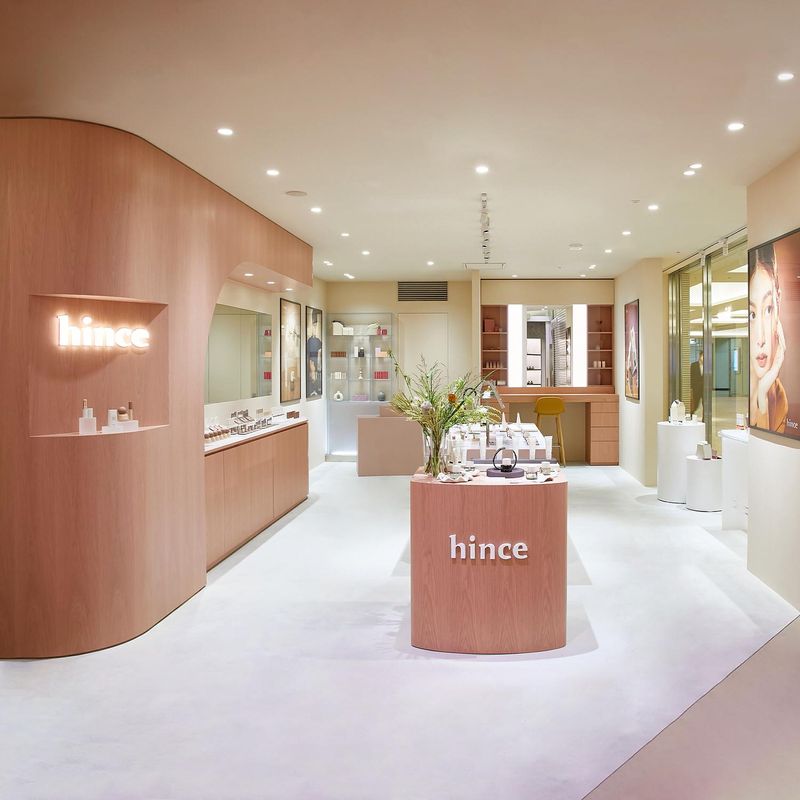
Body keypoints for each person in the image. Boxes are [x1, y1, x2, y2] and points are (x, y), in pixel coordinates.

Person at [749, 244, 788, 433]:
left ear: (778, 304)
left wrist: (763, 395)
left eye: (768, 310)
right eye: (752, 315)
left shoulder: (778, 398)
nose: (761, 338)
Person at [306, 313, 323, 397]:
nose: (314, 328)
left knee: (316, 373)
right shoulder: (309, 340)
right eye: (313, 326)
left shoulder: (318, 340)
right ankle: (312, 389)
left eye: (316, 326)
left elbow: (320, 351)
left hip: (317, 359)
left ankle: (316, 389)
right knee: (312, 372)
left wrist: (319, 361)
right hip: (311, 359)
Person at [690, 351, 703, 419]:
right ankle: (691, 416)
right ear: (700, 356)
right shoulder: (693, 365)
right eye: (702, 356)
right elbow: (691, 377)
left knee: (705, 405)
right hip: (696, 388)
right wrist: (691, 388)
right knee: (695, 405)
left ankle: (705, 419)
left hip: (704, 389)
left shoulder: (708, 365)